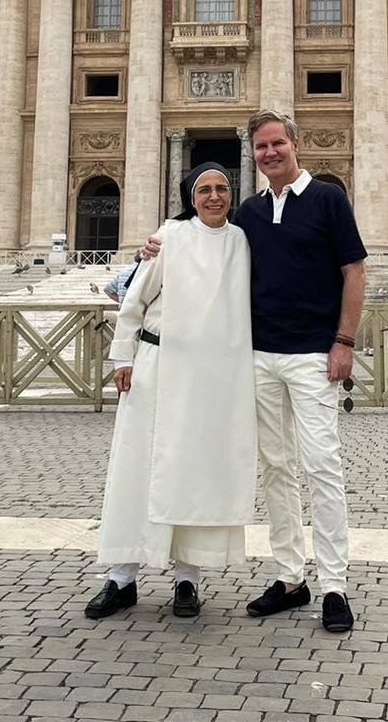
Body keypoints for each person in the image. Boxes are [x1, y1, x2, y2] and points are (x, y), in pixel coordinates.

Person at [140, 110, 366, 632]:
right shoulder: (250, 211)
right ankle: (291, 576)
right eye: (261, 147)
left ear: (295, 144)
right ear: (255, 155)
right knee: (276, 468)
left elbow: (353, 271)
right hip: (260, 356)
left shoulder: (330, 198)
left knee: (322, 466)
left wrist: (344, 342)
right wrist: (159, 243)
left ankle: (335, 583)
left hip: (313, 355)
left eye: (276, 144)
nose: (270, 153)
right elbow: (208, 241)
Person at [87, 163, 256, 621]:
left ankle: (187, 579)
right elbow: (134, 300)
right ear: (191, 196)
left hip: (209, 380)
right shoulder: (169, 236)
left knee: (194, 476)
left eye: (223, 189)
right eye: (206, 190)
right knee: (137, 471)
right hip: (156, 369)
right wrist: (123, 357)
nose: (216, 197)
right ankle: (121, 578)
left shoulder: (242, 241)